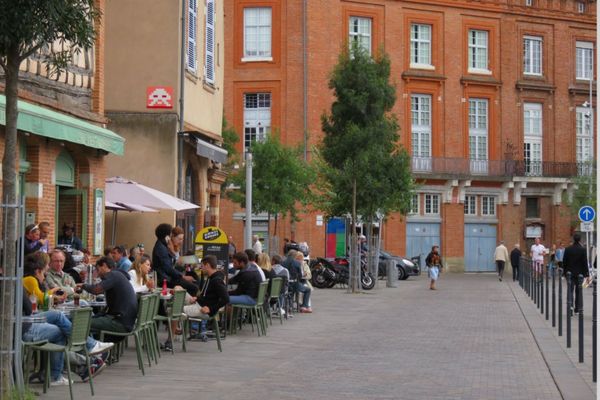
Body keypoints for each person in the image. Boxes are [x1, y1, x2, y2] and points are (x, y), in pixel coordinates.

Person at [80, 256, 138, 337]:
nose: (97, 273)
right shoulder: (118, 274)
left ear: (104, 265)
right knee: (89, 324)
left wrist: (83, 286)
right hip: (126, 321)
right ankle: (94, 346)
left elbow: (96, 290)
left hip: (120, 323)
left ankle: (88, 347)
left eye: (97, 269)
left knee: (81, 324)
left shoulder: (113, 275)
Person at [152, 223, 198, 296]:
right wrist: (182, 277)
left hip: (169, 277)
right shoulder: (161, 248)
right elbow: (168, 268)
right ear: (167, 236)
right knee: (193, 288)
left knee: (194, 282)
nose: (171, 237)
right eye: (171, 235)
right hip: (166, 279)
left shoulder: (163, 246)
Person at [183, 255, 229, 320]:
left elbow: (226, 299)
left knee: (175, 310)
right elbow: (207, 296)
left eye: (202, 266)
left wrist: (210, 309)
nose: (201, 268)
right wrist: (197, 298)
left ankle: (176, 329)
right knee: (179, 290)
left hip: (203, 309)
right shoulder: (210, 277)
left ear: (207, 265)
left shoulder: (216, 280)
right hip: (199, 303)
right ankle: (178, 328)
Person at [563, 233, 589, 314]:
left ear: (573, 239)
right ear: (580, 240)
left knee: (570, 290)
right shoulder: (583, 250)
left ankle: (570, 307)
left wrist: (564, 272)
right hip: (580, 274)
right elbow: (585, 262)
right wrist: (587, 274)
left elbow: (564, 262)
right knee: (578, 291)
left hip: (569, 273)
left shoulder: (567, 249)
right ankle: (577, 309)